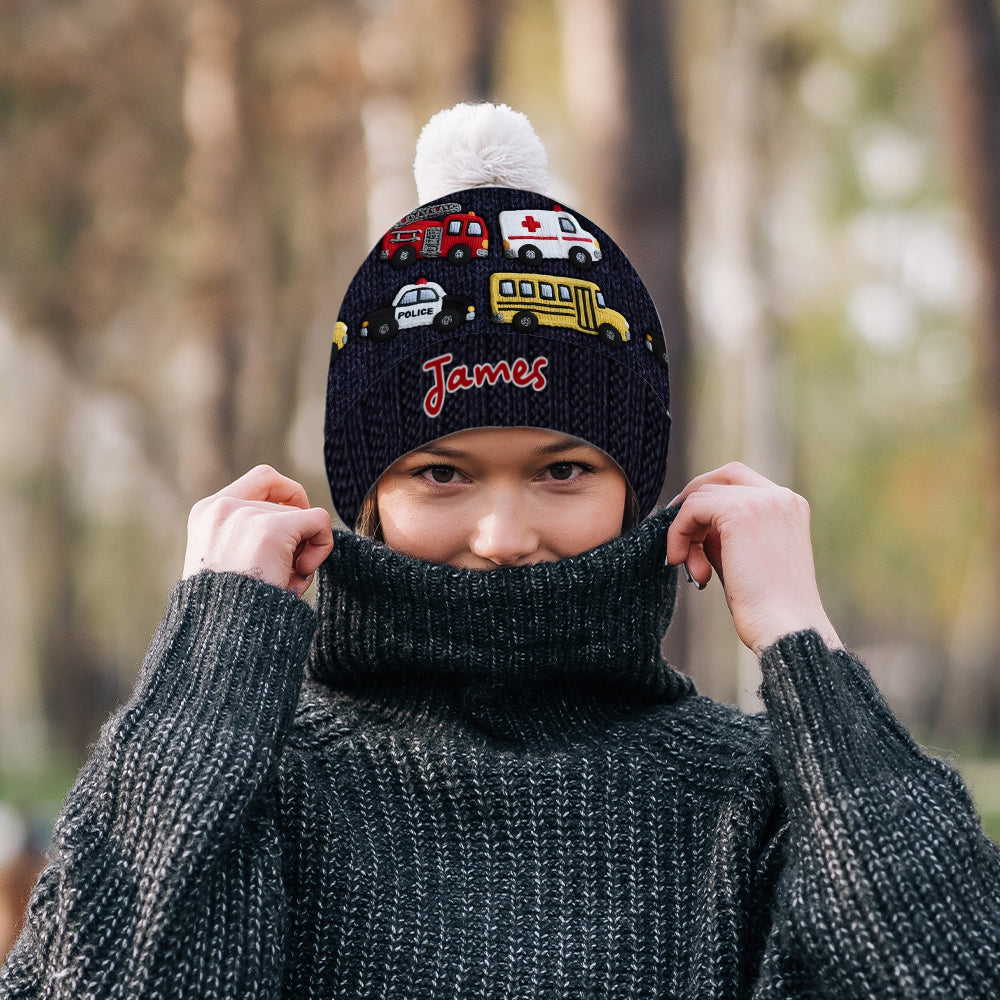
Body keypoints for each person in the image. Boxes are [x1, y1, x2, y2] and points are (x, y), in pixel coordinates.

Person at [3, 103, 999, 1000]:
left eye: (563, 470)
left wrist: (804, 645)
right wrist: (202, 681)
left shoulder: (752, 799)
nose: (504, 535)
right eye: (442, 473)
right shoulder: (256, 786)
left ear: (632, 489)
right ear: (367, 498)